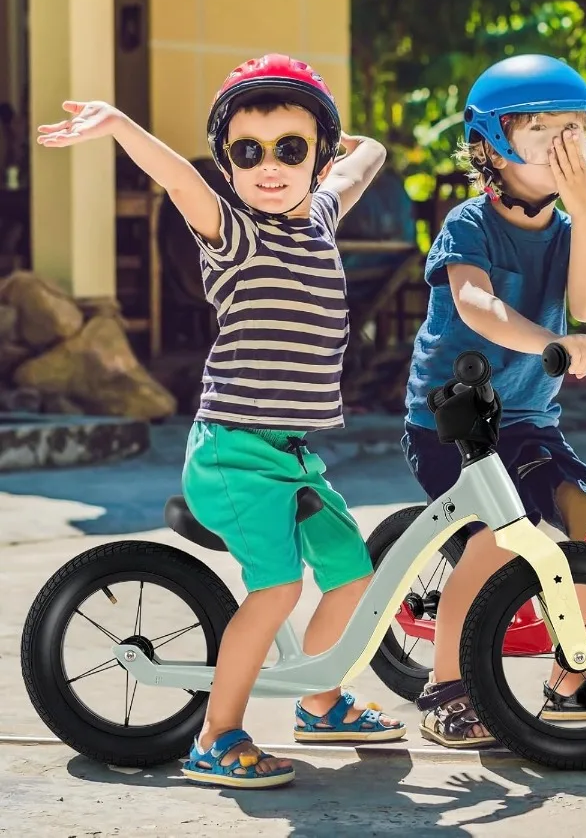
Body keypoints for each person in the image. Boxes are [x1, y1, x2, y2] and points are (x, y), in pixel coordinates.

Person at [37, 54, 405, 788]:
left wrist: (328, 121)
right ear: (228, 168)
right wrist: (119, 126)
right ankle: (218, 734)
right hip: (234, 454)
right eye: (248, 152)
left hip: (292, 457)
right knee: (275, 589)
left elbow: (367, 159)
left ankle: (320, 700)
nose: (269, 167)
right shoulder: (234, 235)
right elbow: (177, 177)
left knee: (354, 573)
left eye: (290, 148)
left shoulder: (321, 217)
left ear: (316, 156)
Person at [401, 54, 586, 747]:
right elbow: (477, 306)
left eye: (577, 132)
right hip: (454, 424)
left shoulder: (565, 233)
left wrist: (584, 211)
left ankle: (570, 680)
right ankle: (447, 688)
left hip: (529, 423)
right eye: (541, 133)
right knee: (499, 543)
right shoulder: (468, 225)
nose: (563, 150)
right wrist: (548, 341)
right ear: (490, 146)